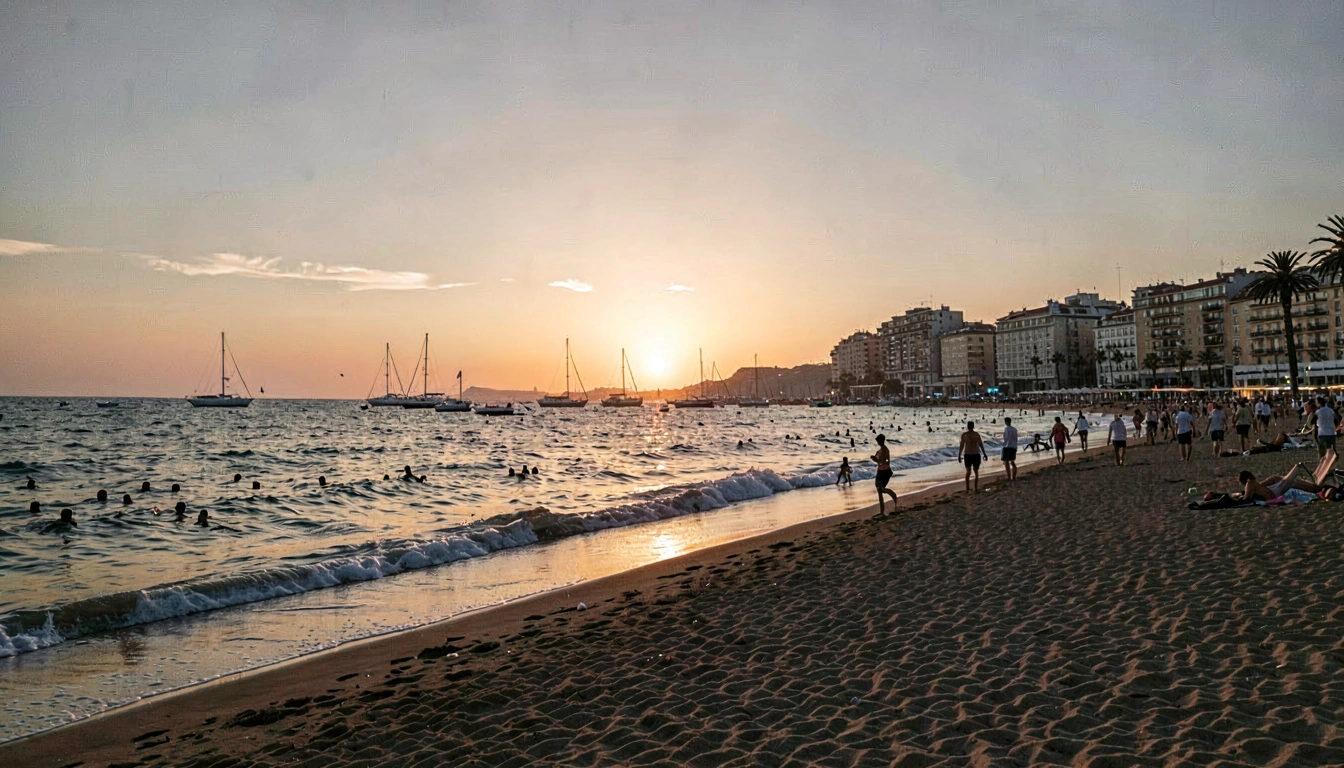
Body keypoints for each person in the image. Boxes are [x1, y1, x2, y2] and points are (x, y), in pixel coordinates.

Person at [958, 421, 989, 493]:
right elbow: (981, 445)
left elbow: (961, 446)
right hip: (975, 454)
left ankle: (967, 488)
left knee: (968, 471)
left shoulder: (964, 435)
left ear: (967, 426)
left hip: (967, 454)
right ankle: (975, 488)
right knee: (976, 471)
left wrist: (959, 455)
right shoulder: (976, 435)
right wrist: (984, 453)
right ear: (973, 426)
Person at [871, 434, 898, 515]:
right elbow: (885, 462)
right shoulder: (884, 449)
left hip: (882, 471)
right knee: (880, 490)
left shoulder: (883, 450)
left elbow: (882, 462)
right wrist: (876, 459)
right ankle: (882, 511)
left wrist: (875, 459)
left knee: (880, 489)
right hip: (886, 470)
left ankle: (891, 493)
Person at [1001, 417, 1018, 481]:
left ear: (1006, 422)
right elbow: (1016, 439)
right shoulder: (1014, 429)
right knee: (1012, 462)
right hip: (1013, 446)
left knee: (1006, 462)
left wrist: (1003, 445)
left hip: (1007, 446)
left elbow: (1006, 438)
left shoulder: (1006, 429)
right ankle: (1013, 477)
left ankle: (1009, 477)